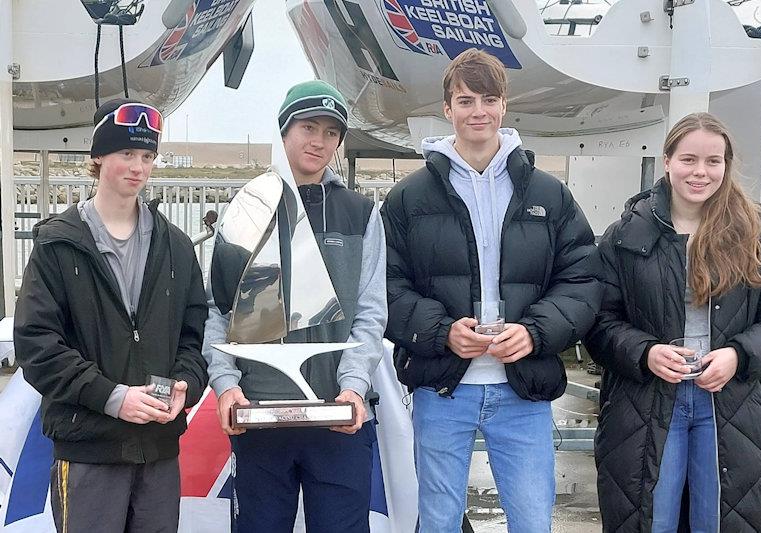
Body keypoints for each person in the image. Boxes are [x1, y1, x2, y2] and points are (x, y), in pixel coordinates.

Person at [380, 48, 601, 533]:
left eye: (488, 98)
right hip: (443, 389)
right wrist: (440, 332)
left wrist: (535, 332)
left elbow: (583, 279)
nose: (477, 110)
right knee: (436, 523)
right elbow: (383, 285)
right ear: (447, 109)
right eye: (465, 100)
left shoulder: (549, 194)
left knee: (531, 523)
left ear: (504, 105)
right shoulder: (408, 198)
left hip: (523, 389)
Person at [584, 112, 761, 532]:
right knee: (652, 518)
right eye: (688, 159)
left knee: (720, 521)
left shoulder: (758, 233)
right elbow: (598, 320)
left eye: (713, 161)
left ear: (726, 165)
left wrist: (739, 355)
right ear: (667, 161)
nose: (700, 172)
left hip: (736, 404)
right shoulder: (626, 234)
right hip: (644, 404)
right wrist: (646, 352)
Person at [14, 99, 209, 532]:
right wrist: (112, 397)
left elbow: (194, 337)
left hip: (158, 450)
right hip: (88, 448)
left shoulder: (176, 246)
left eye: (146, 156)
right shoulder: (57, 246)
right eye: (125, 154)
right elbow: (37, 346)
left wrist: (186, 384)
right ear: (98, 157)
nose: (137, 167)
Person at [202, 80, 387, 533]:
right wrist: (226, 384)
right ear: (284, 131)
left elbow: (370, 313)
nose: (318, 141)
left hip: (337, 415)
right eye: (308, 127)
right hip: (259, 416)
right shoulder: (248, 207)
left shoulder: (361, 214)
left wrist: (354, 386)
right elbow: (217, 311)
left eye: (330, 132)